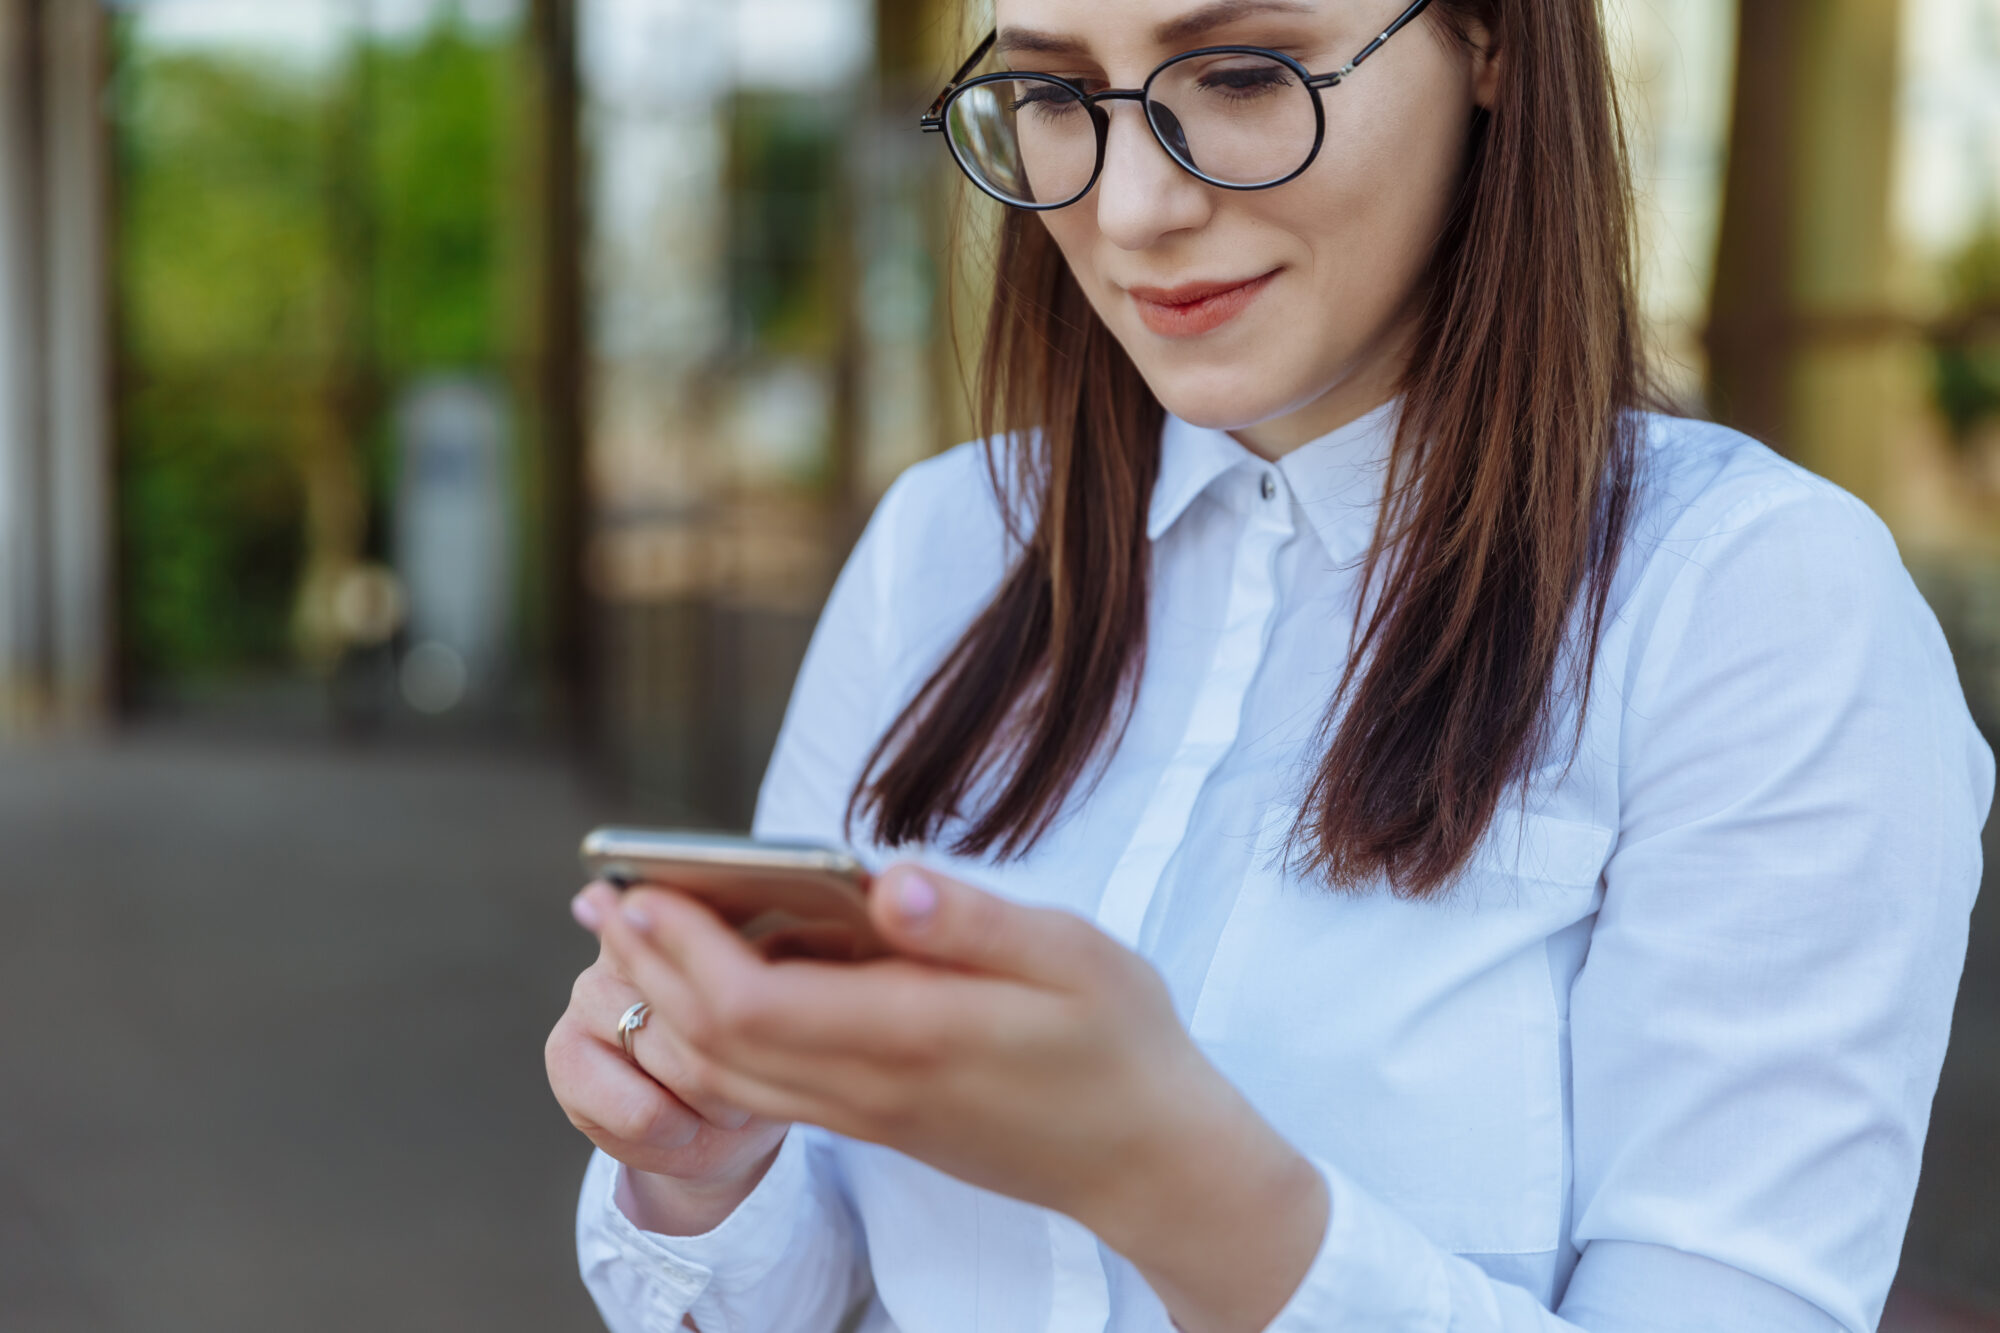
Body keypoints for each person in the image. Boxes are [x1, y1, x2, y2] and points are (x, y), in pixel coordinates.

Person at [544, 0, 1994, 1328]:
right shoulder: (945, 549)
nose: (1133, 207)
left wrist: (1172, 1176)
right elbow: (829, 1286)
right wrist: (705, 1158)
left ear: (1490, 39)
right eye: (1055, 93)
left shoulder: (1751, 605)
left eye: (1240, 74)